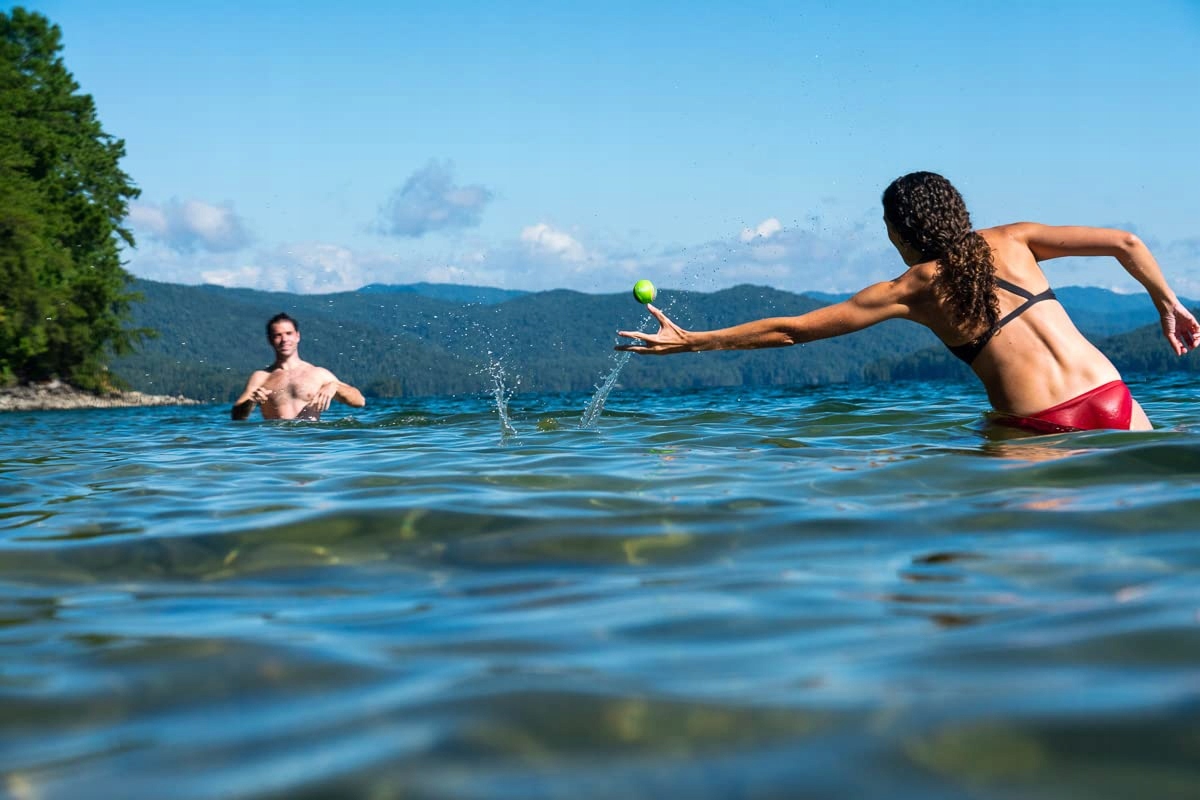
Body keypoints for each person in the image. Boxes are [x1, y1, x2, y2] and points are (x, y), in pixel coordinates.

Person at [618, 171, 1199, 433]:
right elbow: (1127, 243)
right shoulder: (1016, 238)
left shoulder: (911, 289)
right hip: (1114, 396)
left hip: (1040, 423)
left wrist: (693, 342)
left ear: (901, 233)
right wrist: (1167, 304)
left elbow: (794, 330)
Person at [231, 312, 366, 421]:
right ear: (270, 340)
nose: (284, 339)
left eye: (289, 333)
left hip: (309, 442)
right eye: (278, 335)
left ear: (297, 336)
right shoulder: (261, 377)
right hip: (276, 441)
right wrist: (251, 402)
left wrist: (335, 387)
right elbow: (236, 417)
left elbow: (360, 401)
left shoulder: (318, 374)